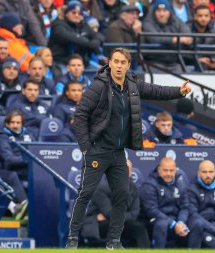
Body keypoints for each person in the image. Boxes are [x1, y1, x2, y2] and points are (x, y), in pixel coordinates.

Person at [66, 47, 191, 249]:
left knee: (122, 195)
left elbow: (156, 91)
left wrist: (178, 91)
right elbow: (80, 117)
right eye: (115, 61)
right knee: (85, 193)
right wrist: (86, 148)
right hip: (98, 149)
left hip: (118, 152)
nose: (118, 66)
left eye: (123, 62)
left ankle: (114, 241)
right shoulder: (98, 86)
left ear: (128, 65)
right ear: (109, 63)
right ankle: (72, 238)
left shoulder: (132, 84)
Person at [82, 160, 150, 248]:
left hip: (122, 222)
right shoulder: (101, 187)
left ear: (130, 173)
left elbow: (135, 213)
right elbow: (109, 212)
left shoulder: (134, 188)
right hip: (99, 224)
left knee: (139, 227)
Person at [139, 157, 202, 248]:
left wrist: (180, 222)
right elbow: (151, 210)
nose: (168, 174)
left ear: (175, 171)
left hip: (176, 220)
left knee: (197, 223)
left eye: (171, 171)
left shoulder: (180, 184)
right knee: (162, 224)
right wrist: (173, 224)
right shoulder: (149, 185)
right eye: (165, 170)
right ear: (159, 170)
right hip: (156, 220)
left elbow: (185, 207)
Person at [49, 0, 105, 66]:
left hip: (81, 62)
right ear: (66, 13)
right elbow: (70, 37)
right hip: (61, 62)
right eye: (73, 12)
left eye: (79, 13)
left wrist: (96, 41)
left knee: (100, 71)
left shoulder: (82, 24)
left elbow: (98, 35)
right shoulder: (58, 24)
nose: (76, 15)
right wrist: (88, 43)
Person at [142, 0, 192, 72]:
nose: (161, 14)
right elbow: (154, 38)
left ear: (169, 12)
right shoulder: (148, 22)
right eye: (158, 11)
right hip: (154, 62)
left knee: (188, 74)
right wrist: (175, 40)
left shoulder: (175, 20)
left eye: (164, 11)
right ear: (154, 12)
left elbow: (188, 36)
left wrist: (180, 39)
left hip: (174, 62)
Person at [0, 110, 35, 182]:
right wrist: (28, 159)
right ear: (7, 124)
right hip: (14, 171)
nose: (15, 125)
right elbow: (9, 159)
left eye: (18, 123)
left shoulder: (28, 134)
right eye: (12, 122)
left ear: (22, 124)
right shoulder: (2, 137)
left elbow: (36, 151)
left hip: (29, 168)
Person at [187, 5, 215, 70]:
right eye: (200, 16)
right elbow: (182, 53)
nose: (203, 18)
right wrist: (198, 59)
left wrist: (213, 60)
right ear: (195, 17)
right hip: (188, 63)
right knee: (202, 65)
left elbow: (213, 52)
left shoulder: (213, 32)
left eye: (206, 16)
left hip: (205, 63)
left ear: (210, 17)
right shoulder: (187, 30)